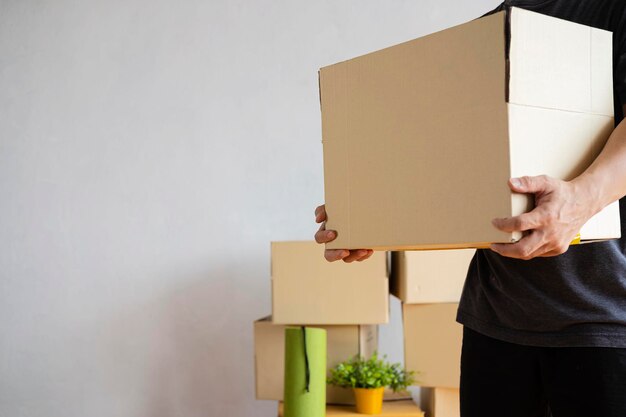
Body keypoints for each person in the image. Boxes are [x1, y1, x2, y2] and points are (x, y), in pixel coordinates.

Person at [314, 1, 626, 416]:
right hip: (496, 322)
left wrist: (581, 200)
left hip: (607, 323)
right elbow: (445, 153)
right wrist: (366, 213)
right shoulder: (498, 22)